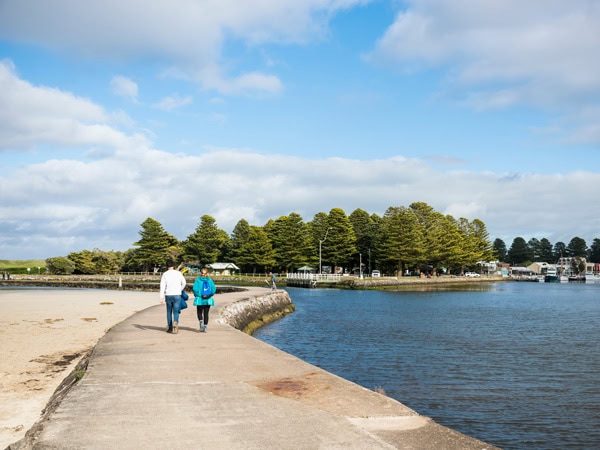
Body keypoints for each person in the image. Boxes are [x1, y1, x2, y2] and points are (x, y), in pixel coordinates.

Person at [159, 260, 186, 334]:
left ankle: (170, 327)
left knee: (169, 311)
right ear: (173, 265)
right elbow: (184, 283)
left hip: (168, 295)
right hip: (177, 294)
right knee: (176, 311)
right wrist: (179, 290)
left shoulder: (165, 274)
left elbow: (162, 286)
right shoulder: (178, 273)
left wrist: (161, 297)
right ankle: (176, 322)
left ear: (166, 266)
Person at [192, 267, 216, 333]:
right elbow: (213, 289)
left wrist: (197, 295)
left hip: (200, 299)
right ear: (207, 273)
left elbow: (194, 289)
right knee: (206, 313)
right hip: (208, 299)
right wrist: (210, 295)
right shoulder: (209, 280)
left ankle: (201, 322)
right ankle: (205, 327)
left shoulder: (198, 280)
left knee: (199, 312)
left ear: (201, 272)